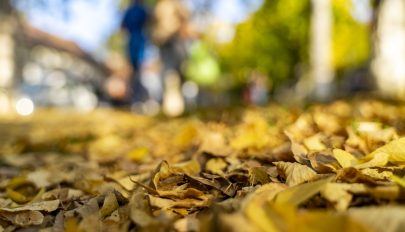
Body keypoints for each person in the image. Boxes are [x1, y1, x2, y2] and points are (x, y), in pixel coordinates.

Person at [151, 0, 191, 116]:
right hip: (168, 41)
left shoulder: (164, 6)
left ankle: (173, 106)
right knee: (171, 74)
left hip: (171, 40)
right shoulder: (169, 5)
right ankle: (173, 107)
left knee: (172, 72)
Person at [121, 0, 149, 104]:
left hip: (133, 42)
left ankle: (134, 98)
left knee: (133, 71)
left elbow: (123, 26)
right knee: (138, 71)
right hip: (138, 42)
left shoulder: (129, 10)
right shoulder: (143, 10)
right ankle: (136, 98)